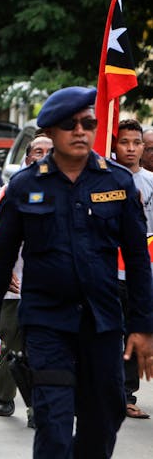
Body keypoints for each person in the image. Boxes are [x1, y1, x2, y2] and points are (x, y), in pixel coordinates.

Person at [0, 86, 153, 458]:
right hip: (48, 323)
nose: (81, 131)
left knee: (105, 415)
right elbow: (0, 259)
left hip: (102, 321)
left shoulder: (117, 182)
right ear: (50, 130)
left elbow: (138, 259)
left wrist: (144, 326)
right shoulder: (25, 186)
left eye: (89, 123)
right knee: (53, 420)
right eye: (70, 124)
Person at [0, 135, 51, 427]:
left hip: (52, 289)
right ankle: (4, 392)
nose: (43, 156)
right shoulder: (10, 192)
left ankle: (36, 407)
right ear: (27, 159)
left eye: (49, 152)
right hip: (15, 286)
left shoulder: (73, 190)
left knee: (43, 349)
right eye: (37, 151)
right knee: (13, 347)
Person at [112, 119, 153, 419]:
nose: (130, 148)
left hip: (140, 271)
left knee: (133, 332)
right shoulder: (105, 178)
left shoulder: (151, 182)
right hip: (108, 271)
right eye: (124, 142)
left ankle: (126, 393)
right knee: (106, 333)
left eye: (136, 143)